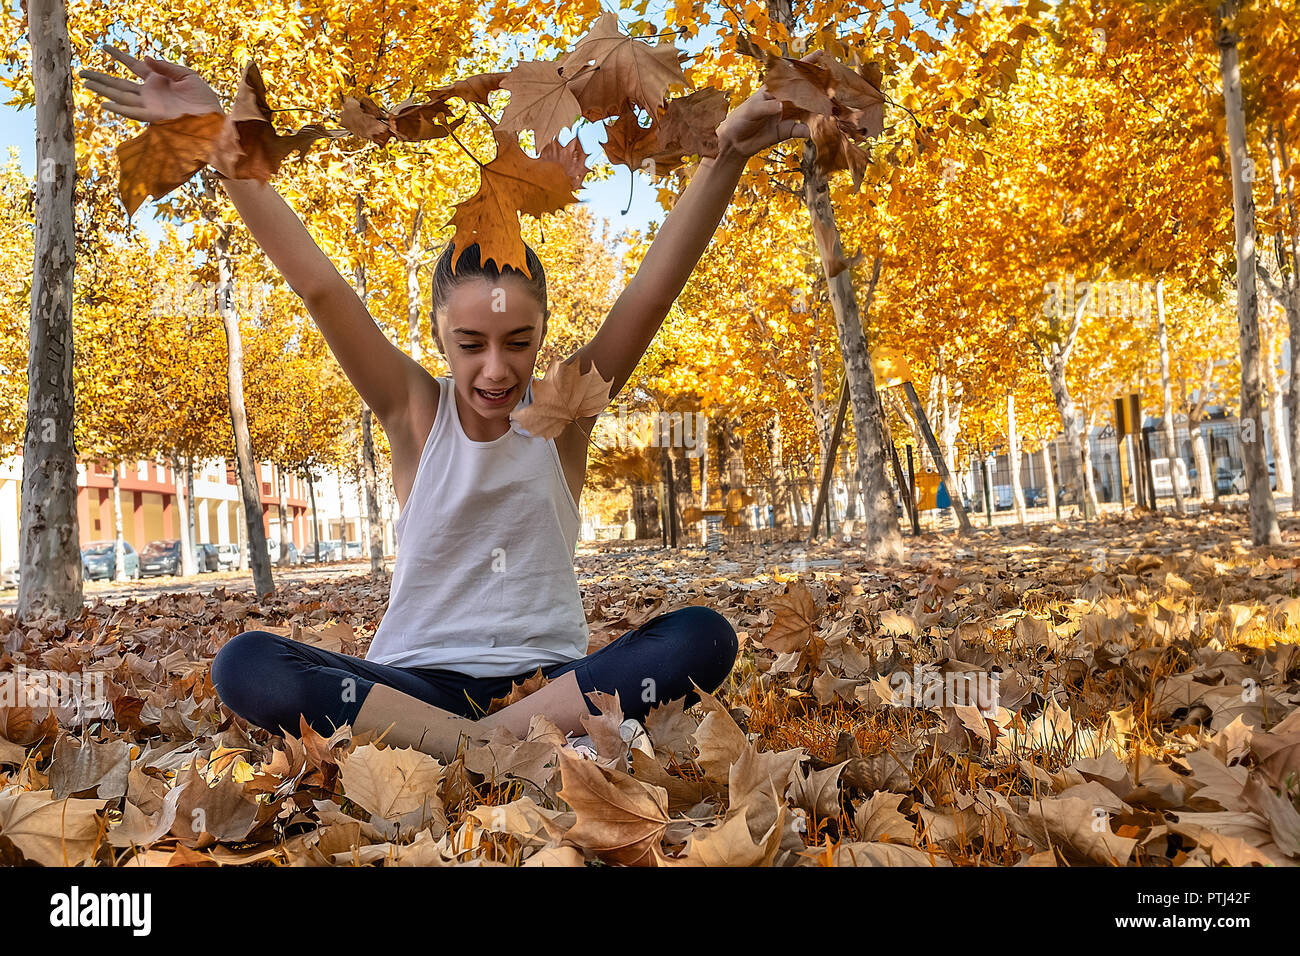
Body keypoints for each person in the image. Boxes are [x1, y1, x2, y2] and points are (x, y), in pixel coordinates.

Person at [81, 42, 818, 763]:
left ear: (545, 334)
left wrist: (725, 154)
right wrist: (218, 141)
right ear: (438, 335)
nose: (496, 369)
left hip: (553, 684)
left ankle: (480, 745)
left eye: (518, 341)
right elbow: (321, 287)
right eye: (471, 343)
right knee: (246, 663)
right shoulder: (413, 411)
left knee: (705, 636)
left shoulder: (565, 409)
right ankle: (490, 747)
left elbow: (653, 289)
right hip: (414, 687)